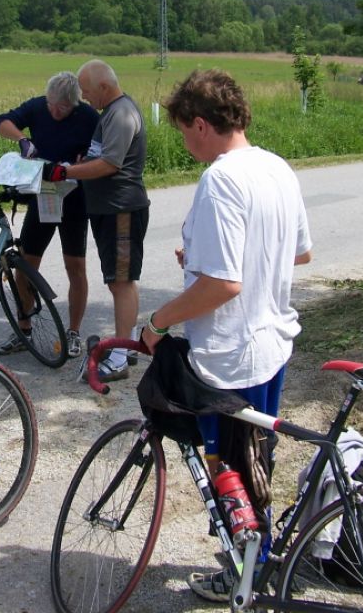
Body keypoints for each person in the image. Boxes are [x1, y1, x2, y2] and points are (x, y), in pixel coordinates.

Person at [139, 69, 312, 604]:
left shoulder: (221, 178)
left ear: (199, 123)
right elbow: (298, 251)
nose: (184, 143)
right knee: (256, 460)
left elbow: (223, 286)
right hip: (272, 342)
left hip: (228, 355)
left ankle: (247, 578)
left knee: (227, 470)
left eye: (183, 132)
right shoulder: (275, 166)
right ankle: (257, 558)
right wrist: (206, 259)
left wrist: (158, 321)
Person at [42, 59, 149, 381]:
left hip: (121, 209)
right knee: (120, 280)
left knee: (121, 281)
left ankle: (118, 357)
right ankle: (126, 345)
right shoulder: (111, 113)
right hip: (108, 209)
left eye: (87, 92)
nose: (85, 99)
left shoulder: (121, 114)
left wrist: (67, 171)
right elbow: (98, 157)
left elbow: (110, 164)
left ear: (104, 86)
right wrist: (80, 164)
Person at [0, 71, 99, 358]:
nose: (54, 111)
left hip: (74, 199)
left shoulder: (88, 117)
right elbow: (0, 121)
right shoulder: (39, 106)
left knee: (75, 267)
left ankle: (73, 332)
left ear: (74, 104)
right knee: (25, 265)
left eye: (61, 108)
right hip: (43, 197)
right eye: (51, 104)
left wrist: (87, 158)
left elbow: (102, 152)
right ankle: (23, 328)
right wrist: (22, 140)